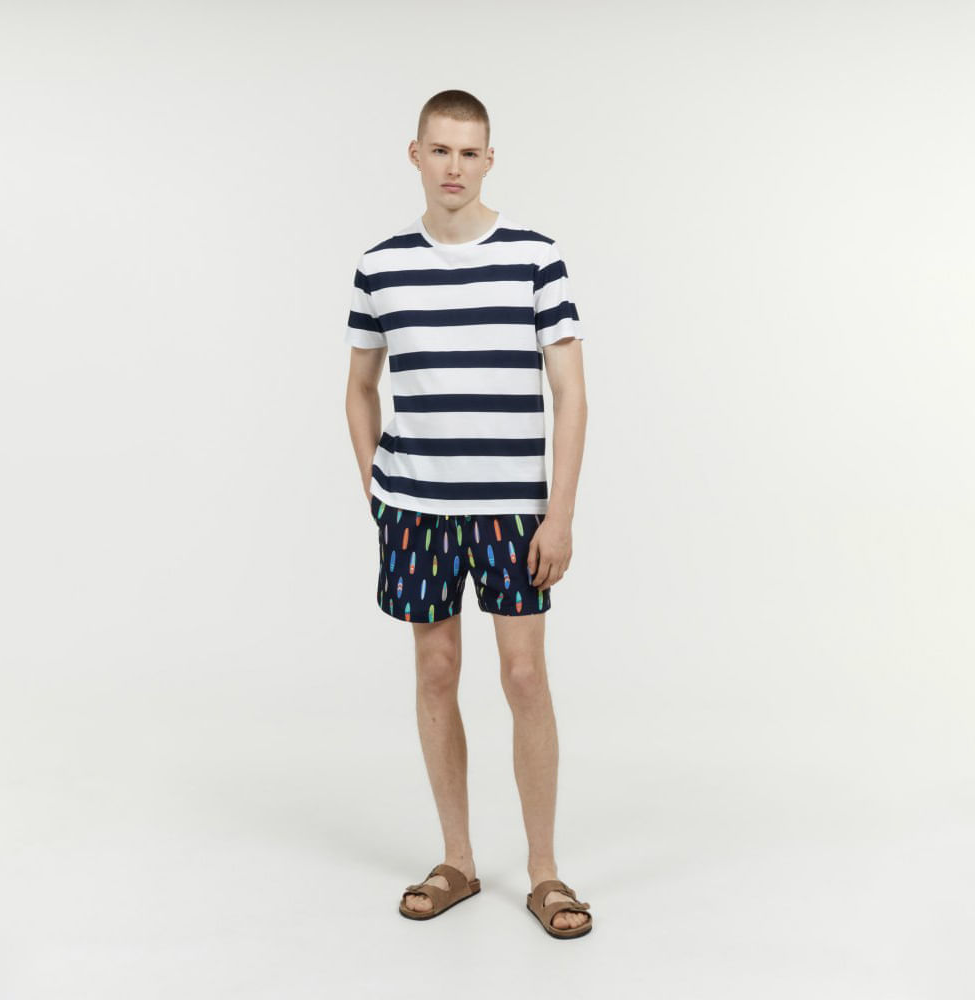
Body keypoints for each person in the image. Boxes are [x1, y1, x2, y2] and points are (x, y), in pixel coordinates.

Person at [343, 89, 592, 939]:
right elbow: (359, 387)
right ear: (416, 154)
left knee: (523, 677)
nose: (454, 166)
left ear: (490, 159)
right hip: (416, 511)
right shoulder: (380, 266)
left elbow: (571, 394)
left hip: (512, 514)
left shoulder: (535, 257)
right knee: (436, 672)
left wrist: (559, 515)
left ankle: (546, 873)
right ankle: (457, 860)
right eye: (440, 150)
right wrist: (377, 489)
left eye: (469, 152)